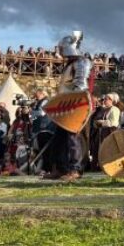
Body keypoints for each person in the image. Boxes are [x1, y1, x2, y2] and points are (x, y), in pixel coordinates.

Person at [44, 31, 92, 181]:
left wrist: (69, 102)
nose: (60, 51)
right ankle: (60, 168)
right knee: (59, 139)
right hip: (66, 107)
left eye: (62, 48)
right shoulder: (70, 64)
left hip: (77, 106)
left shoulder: (81, 62)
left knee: (74, 139)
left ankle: (75, 169)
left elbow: (81, 86)